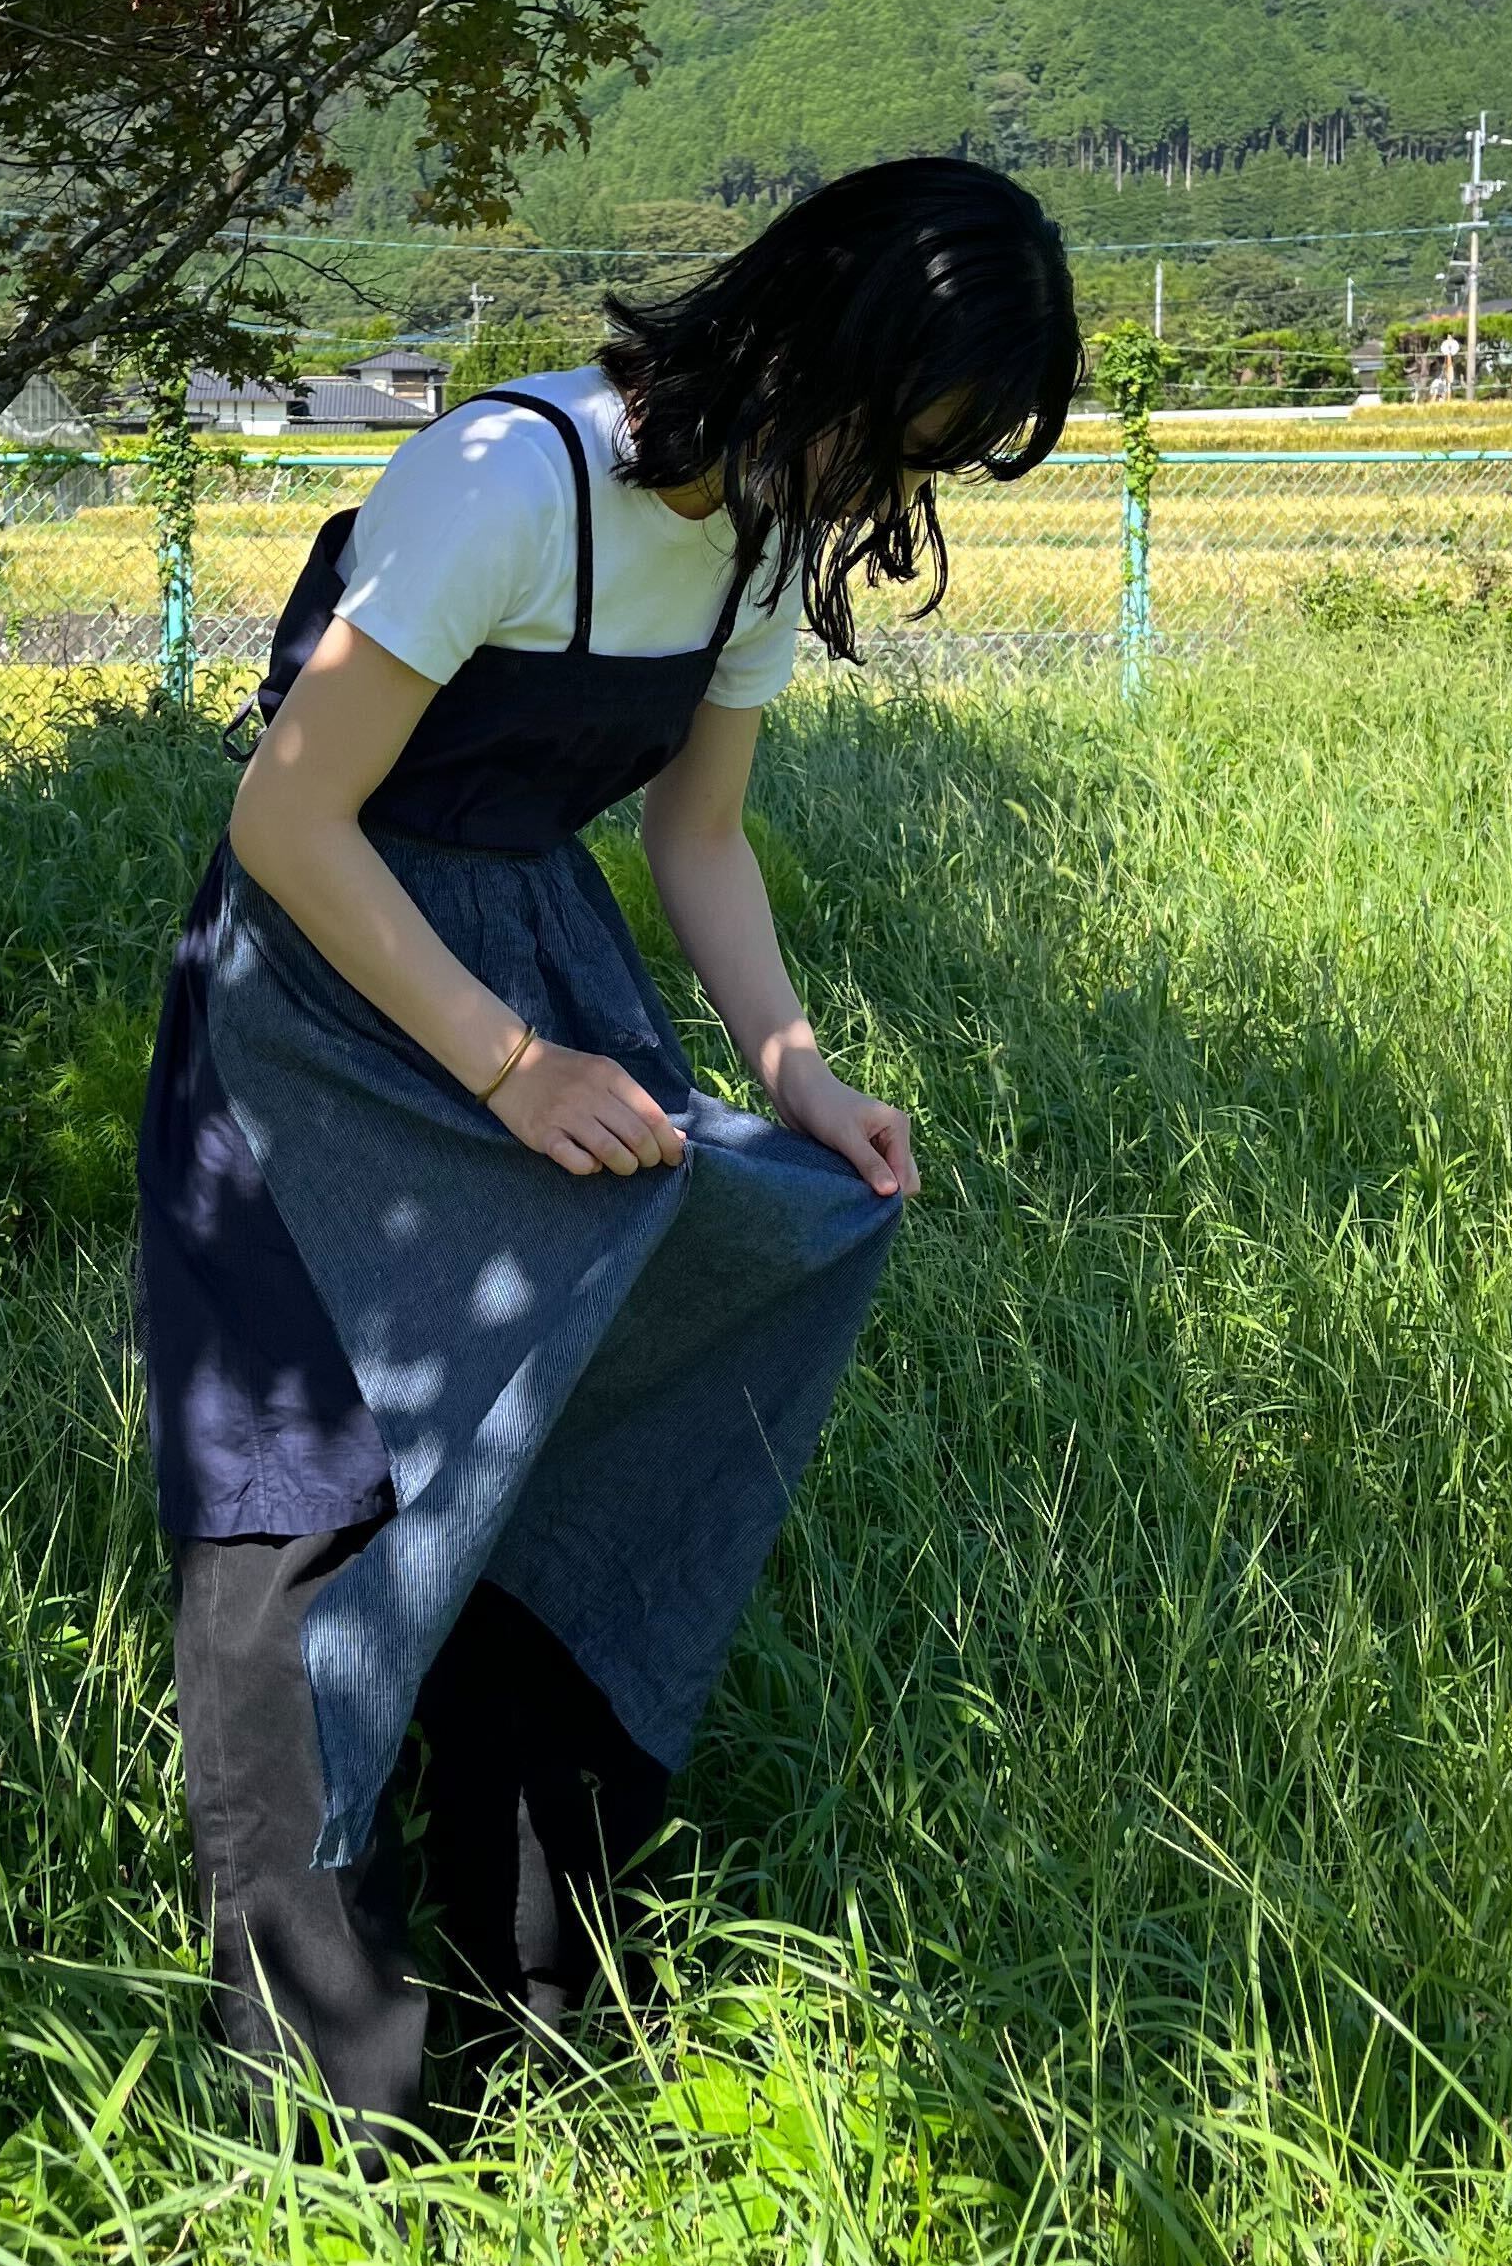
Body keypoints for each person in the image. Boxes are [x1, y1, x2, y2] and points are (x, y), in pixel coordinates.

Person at [135, 158, 1083, 2147]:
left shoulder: (758, 538)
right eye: (892, 438)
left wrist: (795, 1069)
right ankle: (325, 2105)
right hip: (325, 1000)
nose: (879, 495)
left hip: (537, 975)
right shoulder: (510, 477)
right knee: (313, 1478)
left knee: (567, 1439)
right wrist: (507, 1069)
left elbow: (696, 833)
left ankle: (534, 2011)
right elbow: (287, 822)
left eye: (920, 466)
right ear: (807, 347)